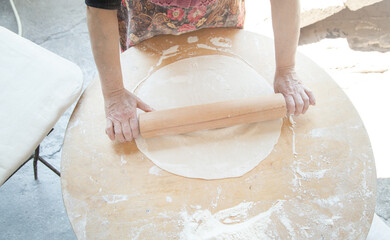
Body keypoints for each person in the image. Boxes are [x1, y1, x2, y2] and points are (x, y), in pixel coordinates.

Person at [85, 0, 316, 143]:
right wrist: (114, 93)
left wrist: (286, 69)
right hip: (148, 24)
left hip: (219, 13)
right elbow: (100, 10)